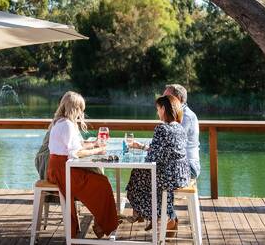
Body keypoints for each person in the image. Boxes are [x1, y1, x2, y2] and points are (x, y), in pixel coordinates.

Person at [46, 91, 118, 239]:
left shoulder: (60, 122)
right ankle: (103, 224)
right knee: (102, 183)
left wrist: (93, 144)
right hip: (62, 170)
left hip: (57, 168)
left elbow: (74, 145)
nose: (82, 113)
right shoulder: (67, 125)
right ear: (75, 108)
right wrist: (98, 150)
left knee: (100, 180)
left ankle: (102, 222)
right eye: (81, 109)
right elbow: (76, 152)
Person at [126, 95, 190, 236]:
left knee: (135, 179)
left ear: (163, 108)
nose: (157, 112)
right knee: (146, 177)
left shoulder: (161, 129)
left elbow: (153, 159)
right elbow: (167, 151)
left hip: (168, 177)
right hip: (182, 175)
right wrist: (143, 147)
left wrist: (144, 155)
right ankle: (164, 216)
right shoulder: (179, 128)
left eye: (158, 109)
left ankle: (156, 216)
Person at [164, 84, 200, 179]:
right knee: (144, 171)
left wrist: (146, 148)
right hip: (177, 164)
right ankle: (159, 194)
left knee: (146, 173)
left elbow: (173, 145)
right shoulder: (174, 114)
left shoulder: (186, 117)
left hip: (189, 167)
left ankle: (158, 194)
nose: (163, 100)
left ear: (178, 98)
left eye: (166, 97)